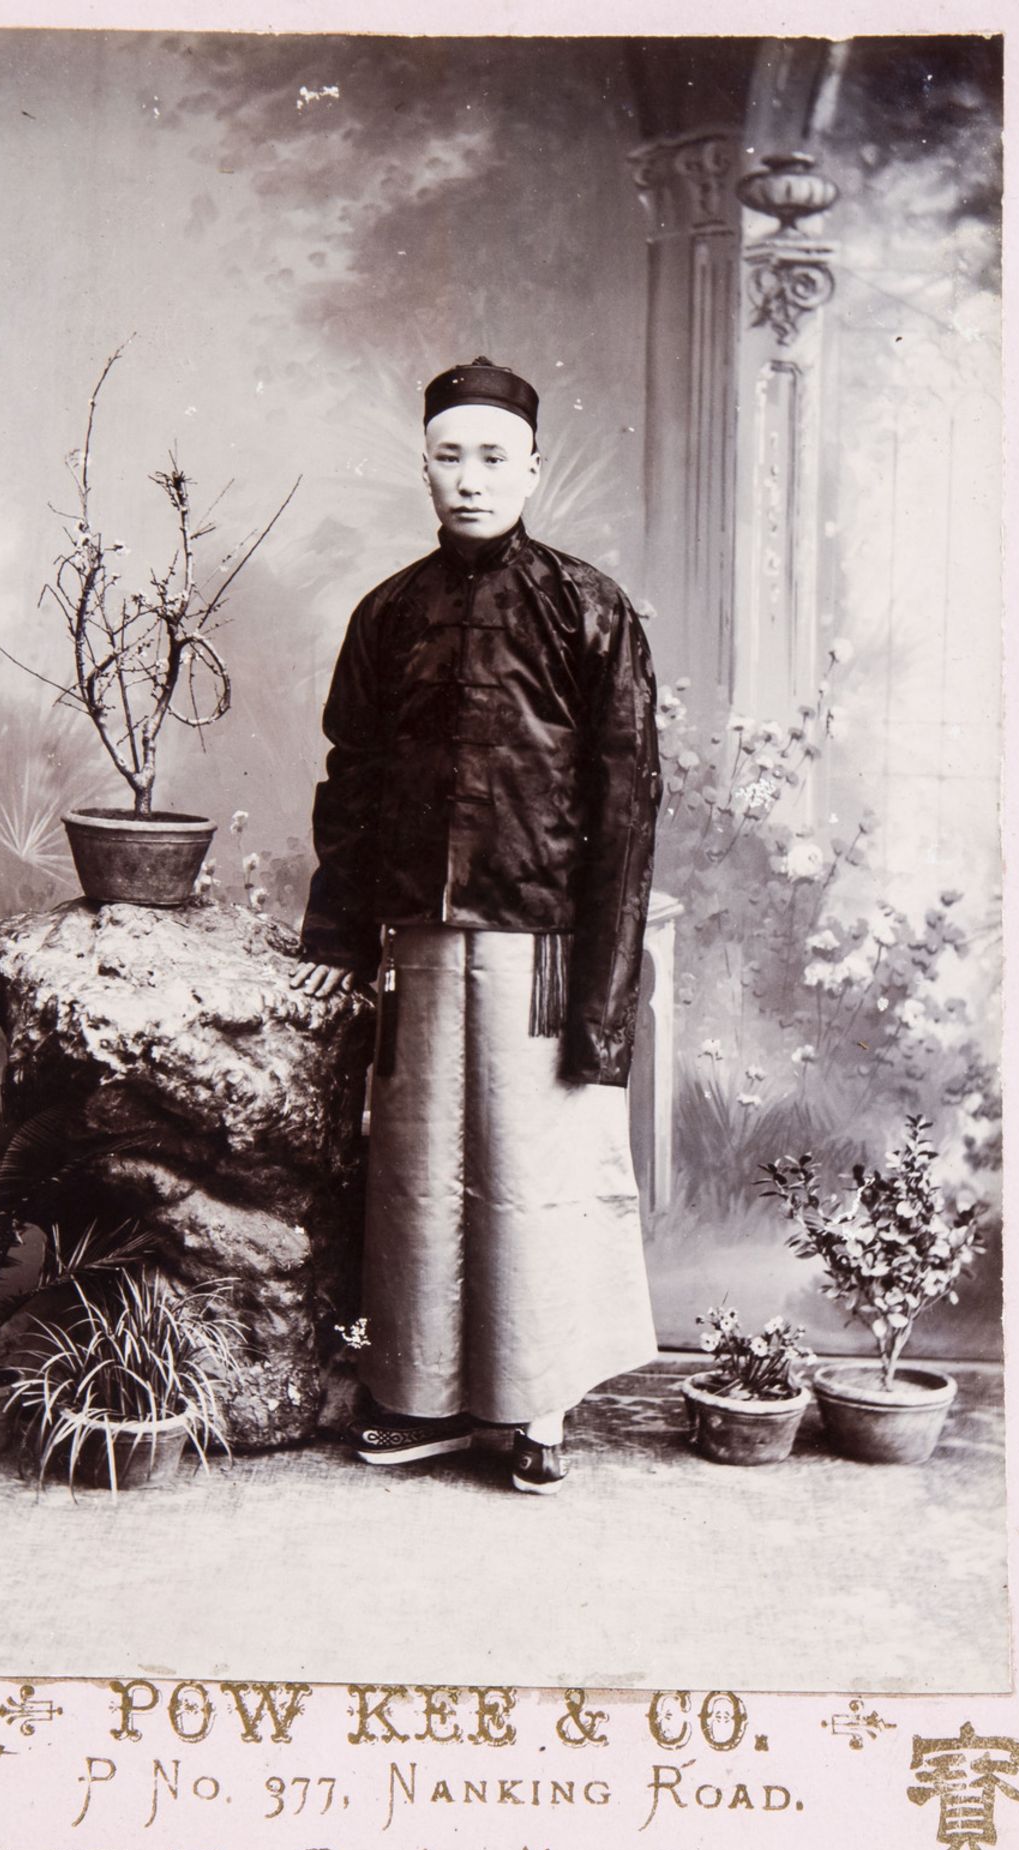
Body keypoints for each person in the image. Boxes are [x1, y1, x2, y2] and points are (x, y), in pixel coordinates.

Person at [293, 356, 661, 1493]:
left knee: (529, 1172)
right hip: (416, 945)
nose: (470, 478)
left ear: (533, 468)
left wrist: (604, 1000)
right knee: (421, 1174)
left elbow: (628, 803)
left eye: (493, 456)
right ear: (423, 466)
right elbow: (349, 782)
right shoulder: (389, 613)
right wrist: (340, 940)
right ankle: (426, 1401)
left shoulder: (587, 608)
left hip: (542, 949)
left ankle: (535, 1406)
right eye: (449, 456)